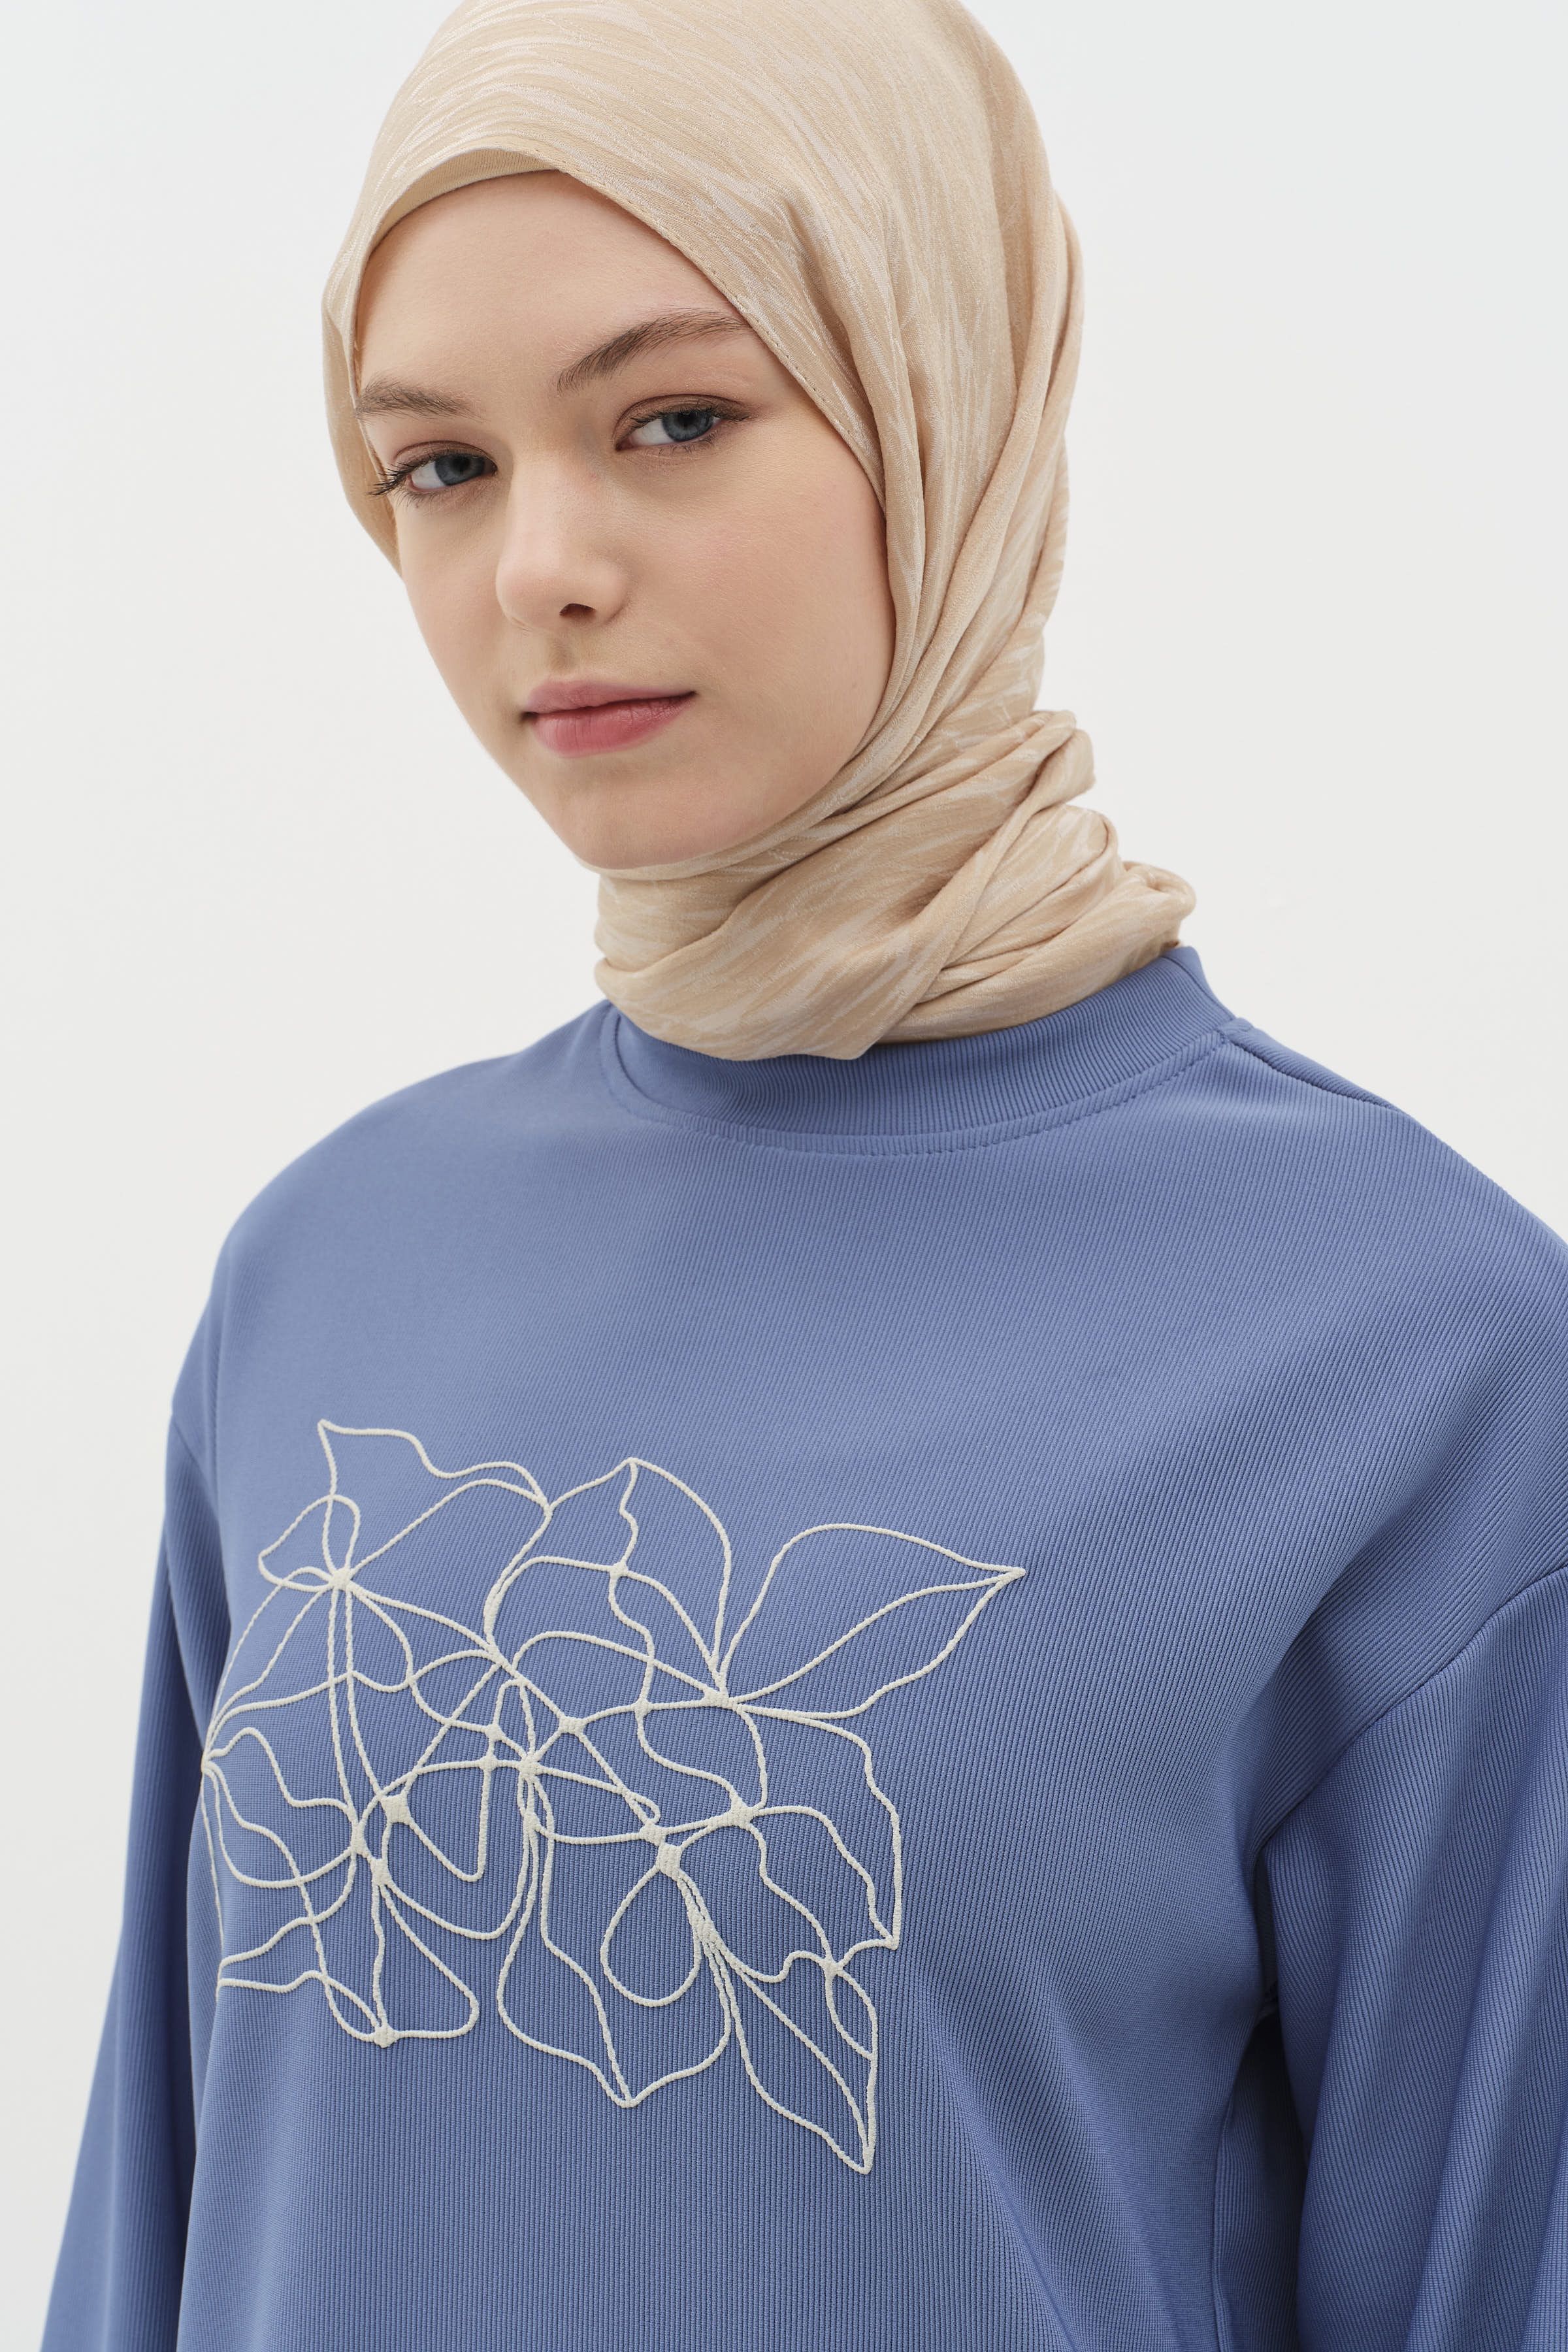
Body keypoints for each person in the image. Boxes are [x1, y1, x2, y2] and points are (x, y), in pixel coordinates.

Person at [43, 0, 1568, 2344]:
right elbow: (156, 2225)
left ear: (942, 399)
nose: (540, 566)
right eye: (439, 465)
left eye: (673, 419)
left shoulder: (1418, 1356)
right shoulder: (329, 1268)